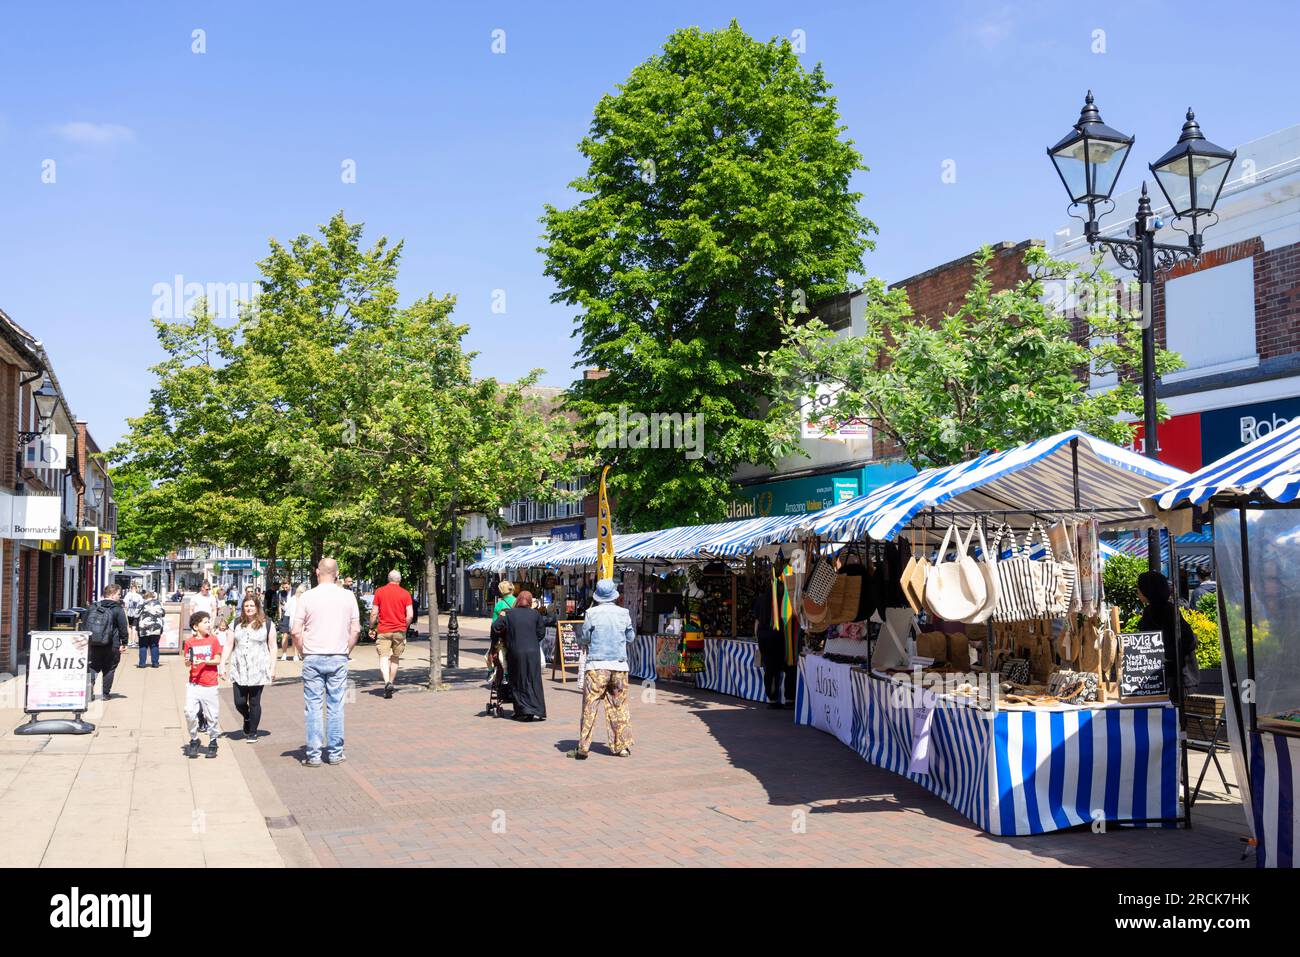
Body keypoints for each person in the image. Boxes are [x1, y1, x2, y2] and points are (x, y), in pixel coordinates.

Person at [292, 558, 360, 767]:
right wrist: (345, 650)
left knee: (313, 706)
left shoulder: (307, 597)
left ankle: (313, 754)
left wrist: (304, 651)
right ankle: (335, 753)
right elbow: (356, 629)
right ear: (337, 574)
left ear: (316, 572)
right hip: (338, 656)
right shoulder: (348, 596)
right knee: (336, 705)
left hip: (313, 656)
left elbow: (295, 630)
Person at [571, 578, 635, 759]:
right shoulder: (624, 613)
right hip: (619, 665)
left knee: (590, 707)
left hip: (597, 666)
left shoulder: (591, 613)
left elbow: (584, 637)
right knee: (619, 706)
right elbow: (630, 637)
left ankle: (583, 747)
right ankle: (621, 746)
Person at [1137, 570, 1196, 697]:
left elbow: (1188, 639)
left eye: (1139, 588)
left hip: (1176, 680)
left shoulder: (1163, 611)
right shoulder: (1161, 610)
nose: (1137, 592)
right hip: (1169, 678)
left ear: (1148, 590)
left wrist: (1165, 655)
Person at [228, 595, 277, 742]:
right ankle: (247, 717)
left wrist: (273, 668)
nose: (249, 609)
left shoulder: (267, 624)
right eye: (246, 606)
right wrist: (223, 662)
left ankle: (253, 732)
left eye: (252, 606)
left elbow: (273, 647)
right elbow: (229, 644)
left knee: (255, 701)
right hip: (239, 667)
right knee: (239, 702)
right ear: (243, 608)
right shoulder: (236, 623)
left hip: (259, 667)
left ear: (257, 607)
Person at [494, 590, 547, 721]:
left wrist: (501, 616)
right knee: (533, 679)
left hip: (516, 651)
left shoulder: (510, 614)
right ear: (529, 601)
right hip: (533, 652)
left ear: (518, 600)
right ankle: (538, 710)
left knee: (518, 680)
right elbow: (541, 633)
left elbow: (496, 627)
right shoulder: (535, 614)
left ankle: (522, 711)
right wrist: (533, 641)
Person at [183, 611, 224, 759]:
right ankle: (194, 739)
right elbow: (187, 662)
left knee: (212, 715)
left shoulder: (213, 640)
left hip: (210, 683)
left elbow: (218, 660)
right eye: (205, 622)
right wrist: (189, 660)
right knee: (189, 712)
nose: (208, 624)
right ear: (195, 626)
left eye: (209, 622)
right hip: (194, 683)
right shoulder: (189, 642)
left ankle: (213, 741)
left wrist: (204, 661)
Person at [371, 570, 414, 700]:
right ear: (399, 580)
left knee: (383, 657)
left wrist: (371, 627)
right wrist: (404, 627)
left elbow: (374, 613)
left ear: (388, 579)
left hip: (384, 630)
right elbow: (410, 615)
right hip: (399, 631)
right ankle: (392, 682)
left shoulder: (379, 592)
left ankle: (386, 682)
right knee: (395, 657)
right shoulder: (405, 594)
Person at [86, 584, 131, 701]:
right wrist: (124, 642)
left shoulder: (93, 606)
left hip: (94, 643)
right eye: (118, 594)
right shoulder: (117, 609)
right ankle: (105, 694)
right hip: (112, 644)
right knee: (109, 668)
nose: (119, 597)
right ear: (111, 594)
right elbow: (123, 627)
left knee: (93, 666)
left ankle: (88, 691)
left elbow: (85, 623)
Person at [136, 591, 166, 668]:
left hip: (144, 627)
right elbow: (163, 613)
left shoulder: (141, 604)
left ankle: (142, 663)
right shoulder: (158, 603)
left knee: (143, 645)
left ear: (144, 597)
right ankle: (155, 663)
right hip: (156, 627)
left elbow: (135, 614)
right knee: (154, 645)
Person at [281, 583, 307, 661]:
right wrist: (283, 604)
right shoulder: (293, 598)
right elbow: (286, 608)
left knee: (297, 637)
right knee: (289, 636)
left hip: (300, 619)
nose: (302, 593)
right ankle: (286, 654)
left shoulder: (305, 599)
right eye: (301, 592)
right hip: (290, 618)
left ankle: (296, 654)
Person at [124, 584, 144, 649]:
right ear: (136, 589)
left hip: (129, 613)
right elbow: (141, 604)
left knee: (129, 627)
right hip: (136, 614)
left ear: (131, 588)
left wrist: (126, 612)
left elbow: (126, 605)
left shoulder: (127, 595)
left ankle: (129, 641)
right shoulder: (139, 596)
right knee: (134, 628)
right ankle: (133, 642)